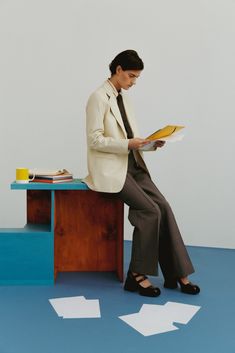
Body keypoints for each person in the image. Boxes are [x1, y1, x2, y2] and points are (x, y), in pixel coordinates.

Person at [84, 50, 200, 297]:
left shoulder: (124, 98)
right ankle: (136, 276)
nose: (133, 82)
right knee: (149, 210)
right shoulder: (98, 98)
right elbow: (94, 140)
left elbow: (129, 138)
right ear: (118, 70)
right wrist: (129, 144)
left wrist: (150, 143)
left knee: (164, 207)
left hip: (134, 165)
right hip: (111, 169)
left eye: (136, 77)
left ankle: (176, 273)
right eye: (131, 76)